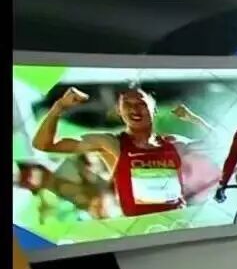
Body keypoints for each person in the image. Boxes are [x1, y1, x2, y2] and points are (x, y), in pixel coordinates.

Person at [31, 86, 215, 217]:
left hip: (176, 223)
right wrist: (59, 107)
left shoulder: (173, 143)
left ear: (154, 109)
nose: (134, 109)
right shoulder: (110, 143)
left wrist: (194, 119)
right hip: (137, 227)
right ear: (119, 112)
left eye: (141, 103)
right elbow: (44, 145)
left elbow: (218, 144)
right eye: (127, 104)